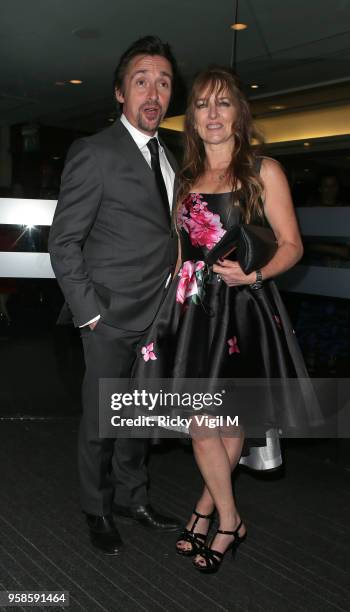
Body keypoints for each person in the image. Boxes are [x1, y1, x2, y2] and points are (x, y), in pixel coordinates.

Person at [133, 66, 315, 574]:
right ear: (191, 117)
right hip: (192, 310)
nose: (212, 115)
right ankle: (226, 517)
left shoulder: (263, 170)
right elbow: (179, 251)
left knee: (221, 420)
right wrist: (157, 312)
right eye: (202, 105)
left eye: (222, 104)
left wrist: (254, 277)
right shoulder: (186, 179)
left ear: (239, 112)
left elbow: (293, 246)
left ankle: (213, 515)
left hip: (242, 308)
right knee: (203, 420)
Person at [49, 35, 181, 555]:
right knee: (102, 420)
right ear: (120, 93)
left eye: (164, 82)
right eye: (142, 81)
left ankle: (133, 497)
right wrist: (89, 315)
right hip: (108, 315)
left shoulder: (170, 157)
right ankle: (97, 507)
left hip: (160, 315)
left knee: (141, 415)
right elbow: (64, 242)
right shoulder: (94, 152)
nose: (154, 92)